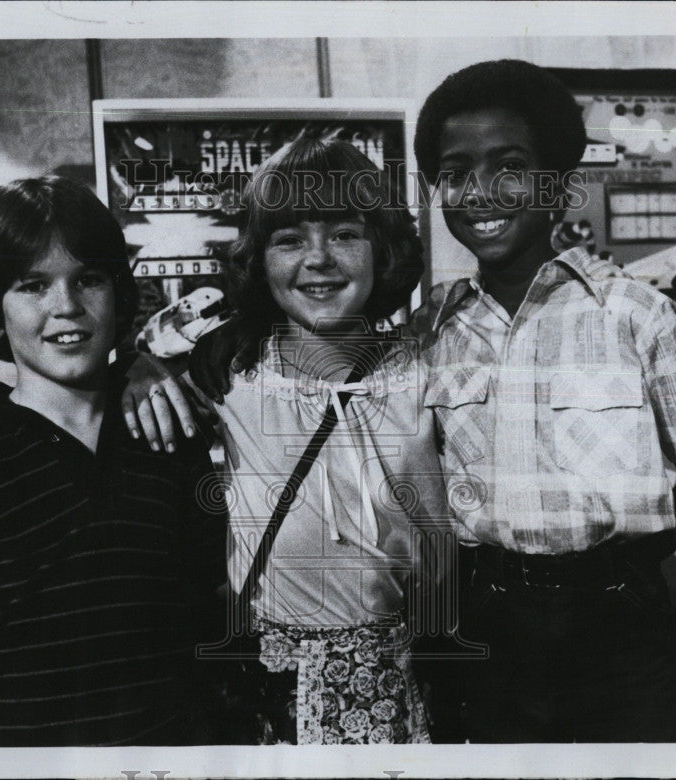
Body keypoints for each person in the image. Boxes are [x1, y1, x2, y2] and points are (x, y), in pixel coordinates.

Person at [148, 60, 676, 743]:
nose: (482, 192)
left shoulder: (637, 315)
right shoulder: (432, 331)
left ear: (559, 183)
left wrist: (616, 567)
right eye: (457, 171)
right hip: (491, 632)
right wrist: (155, 360)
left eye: (510, 165)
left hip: (620, 628)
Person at [124, 137, 455, 744]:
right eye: (290, 239)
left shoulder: (424, 369)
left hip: (406, 680)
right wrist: (136, 370)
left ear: (383, 248)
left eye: (345, 234)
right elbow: (138, 366)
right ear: (259, 258)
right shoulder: (231, 370)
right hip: (274, 688)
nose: (319, 258)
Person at [0, 176, 230, 746]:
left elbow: (210, 606)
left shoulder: (169, 427)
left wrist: (142, 365)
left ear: (119, 292)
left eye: (88, 280)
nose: (65, 306)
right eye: (32, 285)